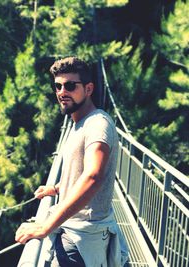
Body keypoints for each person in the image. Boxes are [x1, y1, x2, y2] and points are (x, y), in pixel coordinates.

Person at [15, 56, 128, 266]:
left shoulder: (97, 124)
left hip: (80, 241)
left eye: (70, 85)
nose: (62, 92)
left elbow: (93, 176)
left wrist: (45, 226)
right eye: (58, 86)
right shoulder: (78, 123)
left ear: (88, 88)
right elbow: (81, 170)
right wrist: (57, 188)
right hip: (74, 233)